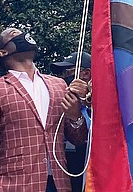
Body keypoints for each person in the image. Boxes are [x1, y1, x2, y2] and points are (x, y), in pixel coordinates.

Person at [0, 27, 88, 192]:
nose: (22, 35)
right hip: (16, 185)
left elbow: (78, 139)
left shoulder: (58, 85)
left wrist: (75, 116)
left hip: (59, 184)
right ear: (2, 52)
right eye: (14, 34)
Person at [50, 52, 92, 192]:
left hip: (93, 173)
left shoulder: (101, 103)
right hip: (65, 174)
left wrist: (88, 101)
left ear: (86, 73)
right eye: (60, 74)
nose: (63, 78)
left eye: (68, 72)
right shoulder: (61, 101)